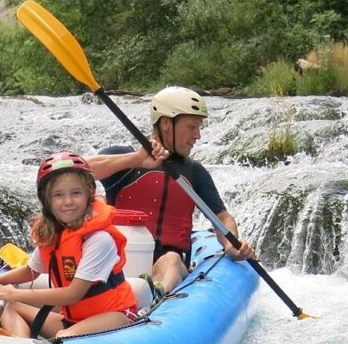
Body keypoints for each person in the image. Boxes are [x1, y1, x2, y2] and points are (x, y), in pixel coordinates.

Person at [87, 86, 255, 300]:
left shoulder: (194, 172)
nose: (198, 135)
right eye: (192, 127)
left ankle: (152, 299)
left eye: (199, 128)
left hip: (170, 267)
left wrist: (231, 244)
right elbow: (74, 171)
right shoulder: (124, 158)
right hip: (122, 262)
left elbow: (222, 217)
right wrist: (135, 159)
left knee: (172, 260)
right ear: (166, 123)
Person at [0, 152, 137, 338]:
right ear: (47, 200)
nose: (68, 201)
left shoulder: (99, 239)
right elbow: (31, 270)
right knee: (7, 306)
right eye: (58, 195)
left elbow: (72, 294)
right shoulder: (55, 233)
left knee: (64, 337)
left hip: (115, 316)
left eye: (76, 193)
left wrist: (17, 294)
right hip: (74, 320)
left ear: (89, 195)